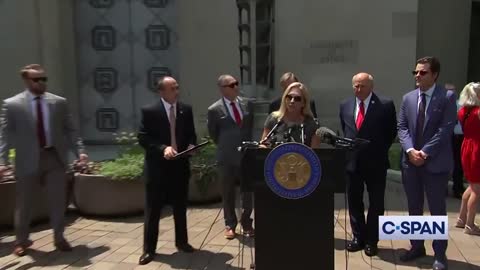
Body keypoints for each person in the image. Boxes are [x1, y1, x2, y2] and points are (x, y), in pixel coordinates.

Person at [0, 64, 88, 256]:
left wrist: (80, 151)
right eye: (36, 79)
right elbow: (5, 135)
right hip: (26, 159)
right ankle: (21, 241)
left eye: (44, 79)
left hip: (53, 157)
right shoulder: (12, 104)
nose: (41, 83)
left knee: (57, 201)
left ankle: (59, 237)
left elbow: (70, 130)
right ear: (26, 81)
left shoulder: (58, 102)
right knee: (24, 203)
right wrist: (2, 161)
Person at [397, 56, 457, 270]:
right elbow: (402, 128)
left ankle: (440, 254)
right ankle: (416, 246)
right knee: (414, 208)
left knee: (437, 210)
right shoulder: (408, 98)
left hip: (435, 164)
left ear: (434, 75)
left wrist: (425, 152)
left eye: (422, 72)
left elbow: (446, 128)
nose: (417, 76)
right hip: (411, 162)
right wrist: (411, 150)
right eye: (415, 72)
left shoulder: (447, 97)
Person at [137, 76, 197, 265]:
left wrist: (192, 145)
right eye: (172, 88)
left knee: (180, 208)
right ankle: (149, 250)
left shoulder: (185, 110)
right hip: (158, 170)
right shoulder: (150, 111)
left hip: (180, 168)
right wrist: (163, 148)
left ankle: (182, 242)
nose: (176, 91)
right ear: (162, 91)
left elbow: (191, 134)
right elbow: (143, 138)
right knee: (153, 210)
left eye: (177, 87)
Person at [339, 72, 397, 257]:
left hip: (376, 162)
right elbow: (346, 129)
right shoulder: (345, 105)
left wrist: (377, 149)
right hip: (353, 163)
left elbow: (391, 132)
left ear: (371, 86)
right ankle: (358, 237)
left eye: (362, 85)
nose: (358, 89)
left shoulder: (385, 105)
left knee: (376, 203)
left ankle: (372, 240)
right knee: (354, 201)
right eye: (355, 85)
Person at [207, 74, 254, 240]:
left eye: (236, 84)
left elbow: (250, 127)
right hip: (226, 157)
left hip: (246, 155)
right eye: (232, 85)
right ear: (222, 89)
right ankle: (230, 224)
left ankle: (247, 223)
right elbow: (213, 134)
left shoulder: (248, 104)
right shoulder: (214, 109)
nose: (236, 87)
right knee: (227, 192)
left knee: (247, 191)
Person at [261, 82, 320, 147]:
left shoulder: (312, 125)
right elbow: (263, 145)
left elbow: (314, 154)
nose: (292, 101)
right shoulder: (273, 119)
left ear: (304, 103)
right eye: (289, 97)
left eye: (297, 99)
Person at [455, 82, 480, 235]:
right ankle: (470, 225)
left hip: (467, 147)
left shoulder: (462, 111)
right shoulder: (478, 112)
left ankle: (462, 218)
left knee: (472, 186)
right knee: (477, 189)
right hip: (477, 148)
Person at [445, 83, 465, 199]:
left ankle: (458, 187)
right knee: (446, 163)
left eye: (453, 91)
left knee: (458, 164)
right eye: (448, 91)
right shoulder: (441, 104)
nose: (451, 93)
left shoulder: (460, 105)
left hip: (458, 137)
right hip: (446, 136)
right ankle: (443, 188)